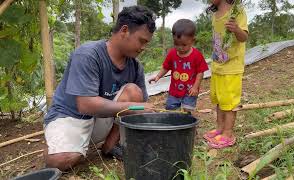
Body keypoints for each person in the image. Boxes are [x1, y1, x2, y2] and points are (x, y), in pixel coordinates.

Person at [43, 6, 156, 170]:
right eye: (142, 40)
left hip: (102, 118)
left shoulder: (135, 66)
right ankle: (59, 142)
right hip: (72, 117)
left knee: (133, 92)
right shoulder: (88, 55)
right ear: (124, 30)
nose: (143, 47)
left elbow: (140, 104)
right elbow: (85, 105)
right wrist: (134, 107)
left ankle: (110, 146)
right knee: (60, 161)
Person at [203, 0, 248, 149]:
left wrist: (236, 29)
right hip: (218, 66)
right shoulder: (215, 13)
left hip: (231, 67)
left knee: (229, 102)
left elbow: (244, 37)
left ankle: (228, 134)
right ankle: (220, 129)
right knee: (219, 100)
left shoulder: (237, 11)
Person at [149, 19, 209, 112]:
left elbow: (200, 72)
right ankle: (174, 123)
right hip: (174, 91)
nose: (180, 48)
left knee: (187, 110)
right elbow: (166, 67)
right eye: (176, 44)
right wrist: (158, 76)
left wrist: (195, 87)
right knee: (171, 109)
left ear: (192, 41)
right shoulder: (172, 53)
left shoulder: (197, 55)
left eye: (184, 45)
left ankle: (186, 123)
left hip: (190, 91)